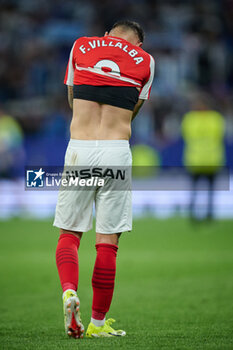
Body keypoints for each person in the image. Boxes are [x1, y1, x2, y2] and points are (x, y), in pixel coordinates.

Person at [53, 20, 155, 339]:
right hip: (115, 150)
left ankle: (69, 292)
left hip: (80, 147)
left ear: (108, 34)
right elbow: (134, 108)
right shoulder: (145, 60)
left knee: (69, 232)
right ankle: (98, 324)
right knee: (108, 240)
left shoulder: (82, 45)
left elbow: (72, 97)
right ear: (138, 44)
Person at [182, 96, 225, 220]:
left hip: (204, 160)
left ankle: (206, 214)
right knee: (198, 190)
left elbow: (187, 134)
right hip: (205, 159)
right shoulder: (215, 119)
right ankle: (195, 214)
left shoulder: (190, 119)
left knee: (205, 191)